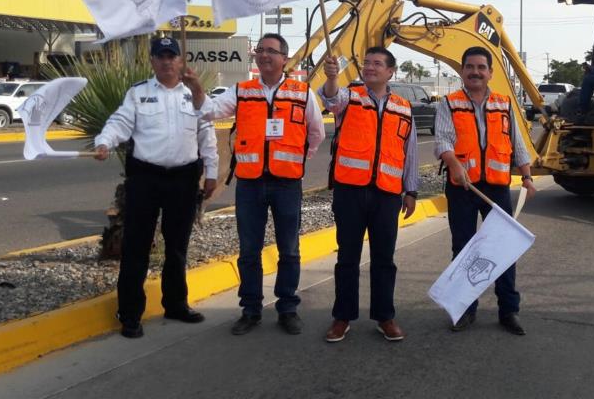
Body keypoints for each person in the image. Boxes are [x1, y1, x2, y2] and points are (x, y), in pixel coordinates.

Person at [186, 33, 324, 336]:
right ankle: (250, 310)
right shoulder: (242, 91)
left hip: (287, 183)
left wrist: (298, 161)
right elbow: (208, 111)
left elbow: (316, 133)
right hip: (250, 184)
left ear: (285, 59)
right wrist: (196, 87)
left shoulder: (303, 93)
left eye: (271, 51)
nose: (264, 55)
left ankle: (287, 308)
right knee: (249, 251)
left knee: (289, 249)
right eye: (260, 50)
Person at [93, 37, 218, 339]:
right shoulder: (139, 93)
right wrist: (104, 142)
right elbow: (120, 122)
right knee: (136, 246)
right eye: (160, 56)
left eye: (171, 56)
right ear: (152, 61)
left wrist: (212, 171)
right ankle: (130, 314)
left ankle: (175, 304)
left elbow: (208, 130)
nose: (166, 61)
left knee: (177, 246)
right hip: (146, 179)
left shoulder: (195, 95)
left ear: (180, 60)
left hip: (183, 179)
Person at [318, 47, 418, 343]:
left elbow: (408, 153)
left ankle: (385, 317)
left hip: (387, 194)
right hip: (350, 192)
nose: (370, 67)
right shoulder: (350, 96)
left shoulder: (403, 107)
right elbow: (330, 98)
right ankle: (342, 317)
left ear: (390, 72)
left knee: (384, 259)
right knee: (347, 257)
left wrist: (410, 190)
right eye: (367, 63)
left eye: (378, 64)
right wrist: (332, 77)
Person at [435, 46, 537, 335]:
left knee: (503, 250)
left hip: (497, 187)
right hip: (462, 187)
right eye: (470, 67)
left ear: (490, 73)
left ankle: (509, 310)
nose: (475, 72)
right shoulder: (449, 103)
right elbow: (442, 140)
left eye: (481, 67)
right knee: (463, 249)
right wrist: (453, 162)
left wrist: (527, 177)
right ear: (463, 71)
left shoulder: (504, 104)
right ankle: (464, 309)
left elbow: (517, 143)